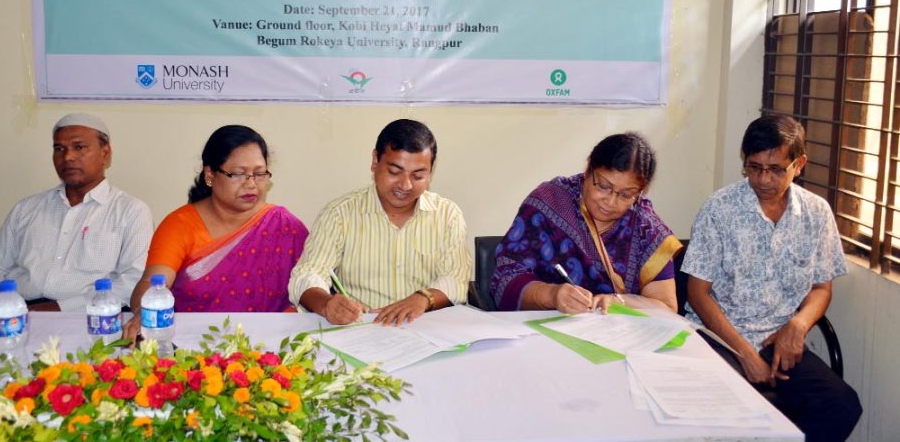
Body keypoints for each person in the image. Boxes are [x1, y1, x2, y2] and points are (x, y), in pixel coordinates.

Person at [683, 115, 862, 442]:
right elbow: (697, 292)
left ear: (799, 164)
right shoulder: (720, 209)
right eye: (754, 168)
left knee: (841, 405)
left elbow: (822, 287)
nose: (763, 179)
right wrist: (744, 354)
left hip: (779, 340)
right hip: (721, 337)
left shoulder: (816, 213)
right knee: (728, 415)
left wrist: (797, 326)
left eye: (776, 169)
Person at [123, 125, 307, 340]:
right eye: (238, 174)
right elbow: (152, 283)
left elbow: (311, 282)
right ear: (210, 174)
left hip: (270, 342)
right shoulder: (180, 224)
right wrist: (143, 313)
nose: (251, 184)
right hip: (193, 342)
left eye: (259, 174)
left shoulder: (284, 225)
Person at [288, 119, 469, 326]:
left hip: (425, 328)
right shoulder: (339, 214)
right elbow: (307, 275)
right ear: (375, 161)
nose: (405, 185)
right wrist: (327, 304)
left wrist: (422, 298)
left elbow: (456, 279)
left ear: (430, 172)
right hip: (360, 327)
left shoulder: (447, 214)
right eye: (394, 171)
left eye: (418, 176)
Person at [0, 113, 153, 312]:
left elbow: (132, 282)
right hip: (15, 315)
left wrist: (58, 309)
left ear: (105, 153)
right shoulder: (26, 209)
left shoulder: (130, 212)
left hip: (89, 316)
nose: (68, 157)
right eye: (59, 149)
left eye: (79, 147)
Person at [491, 132, 682, 313]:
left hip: (617, 339)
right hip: (545, 331)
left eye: (626, 194)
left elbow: (666, 307)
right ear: (588, 170)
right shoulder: (549, 203)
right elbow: (505, 281)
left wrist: (620, 302)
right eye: (604, 186)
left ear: (641, 191)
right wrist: (551, 295)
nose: (611, 201)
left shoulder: (646, 229)